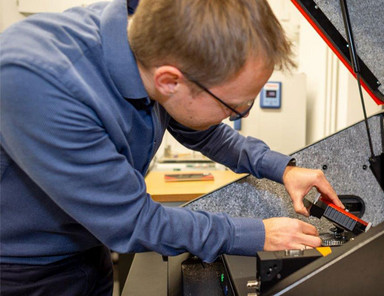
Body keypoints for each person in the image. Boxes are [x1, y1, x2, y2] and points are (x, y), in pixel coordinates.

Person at [0, 0, 344, 294]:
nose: (238, 115)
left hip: (90, 246)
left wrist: (282, 168)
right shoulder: (40, 81)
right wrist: (257, 233)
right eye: (235, 107)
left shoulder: (156, 42)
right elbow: (133, 221)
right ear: (169, 81)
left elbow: (201, 129)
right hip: (23, 270)